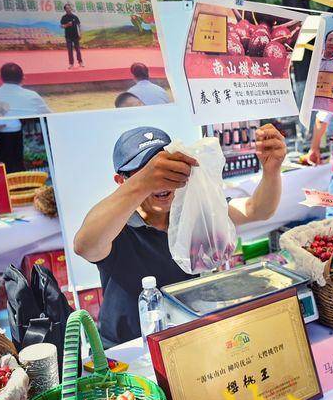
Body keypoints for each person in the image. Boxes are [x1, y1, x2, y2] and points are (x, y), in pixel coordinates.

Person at [74, 123, 287, 346]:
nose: (161, 180)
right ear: (122, 181)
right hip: (128, 351)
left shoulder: (192, 211)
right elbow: (85, 245)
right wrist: (143, 184)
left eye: (168, 169)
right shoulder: (116, 223)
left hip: (188, 339)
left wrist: (271, 171)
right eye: (147, 172)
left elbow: (257, 209)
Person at [313, 29, 333, 112]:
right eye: (329, 40)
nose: (331, 43)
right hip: (308, 102)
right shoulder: (314, 59)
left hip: (324, 106)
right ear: (325, 41)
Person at [61, 3, 84, 68]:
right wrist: (67, 25)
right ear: (65, 10)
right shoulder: (64, 17)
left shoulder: (75, 17)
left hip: (76, 36)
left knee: (78, 50)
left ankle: (80, 62)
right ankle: (71, 64)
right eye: (67, 8)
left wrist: (80, 34)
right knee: (70, 50)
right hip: (68, 36)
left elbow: (79, 26)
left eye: (69, 8)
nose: (69, 9)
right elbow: (62, 26)